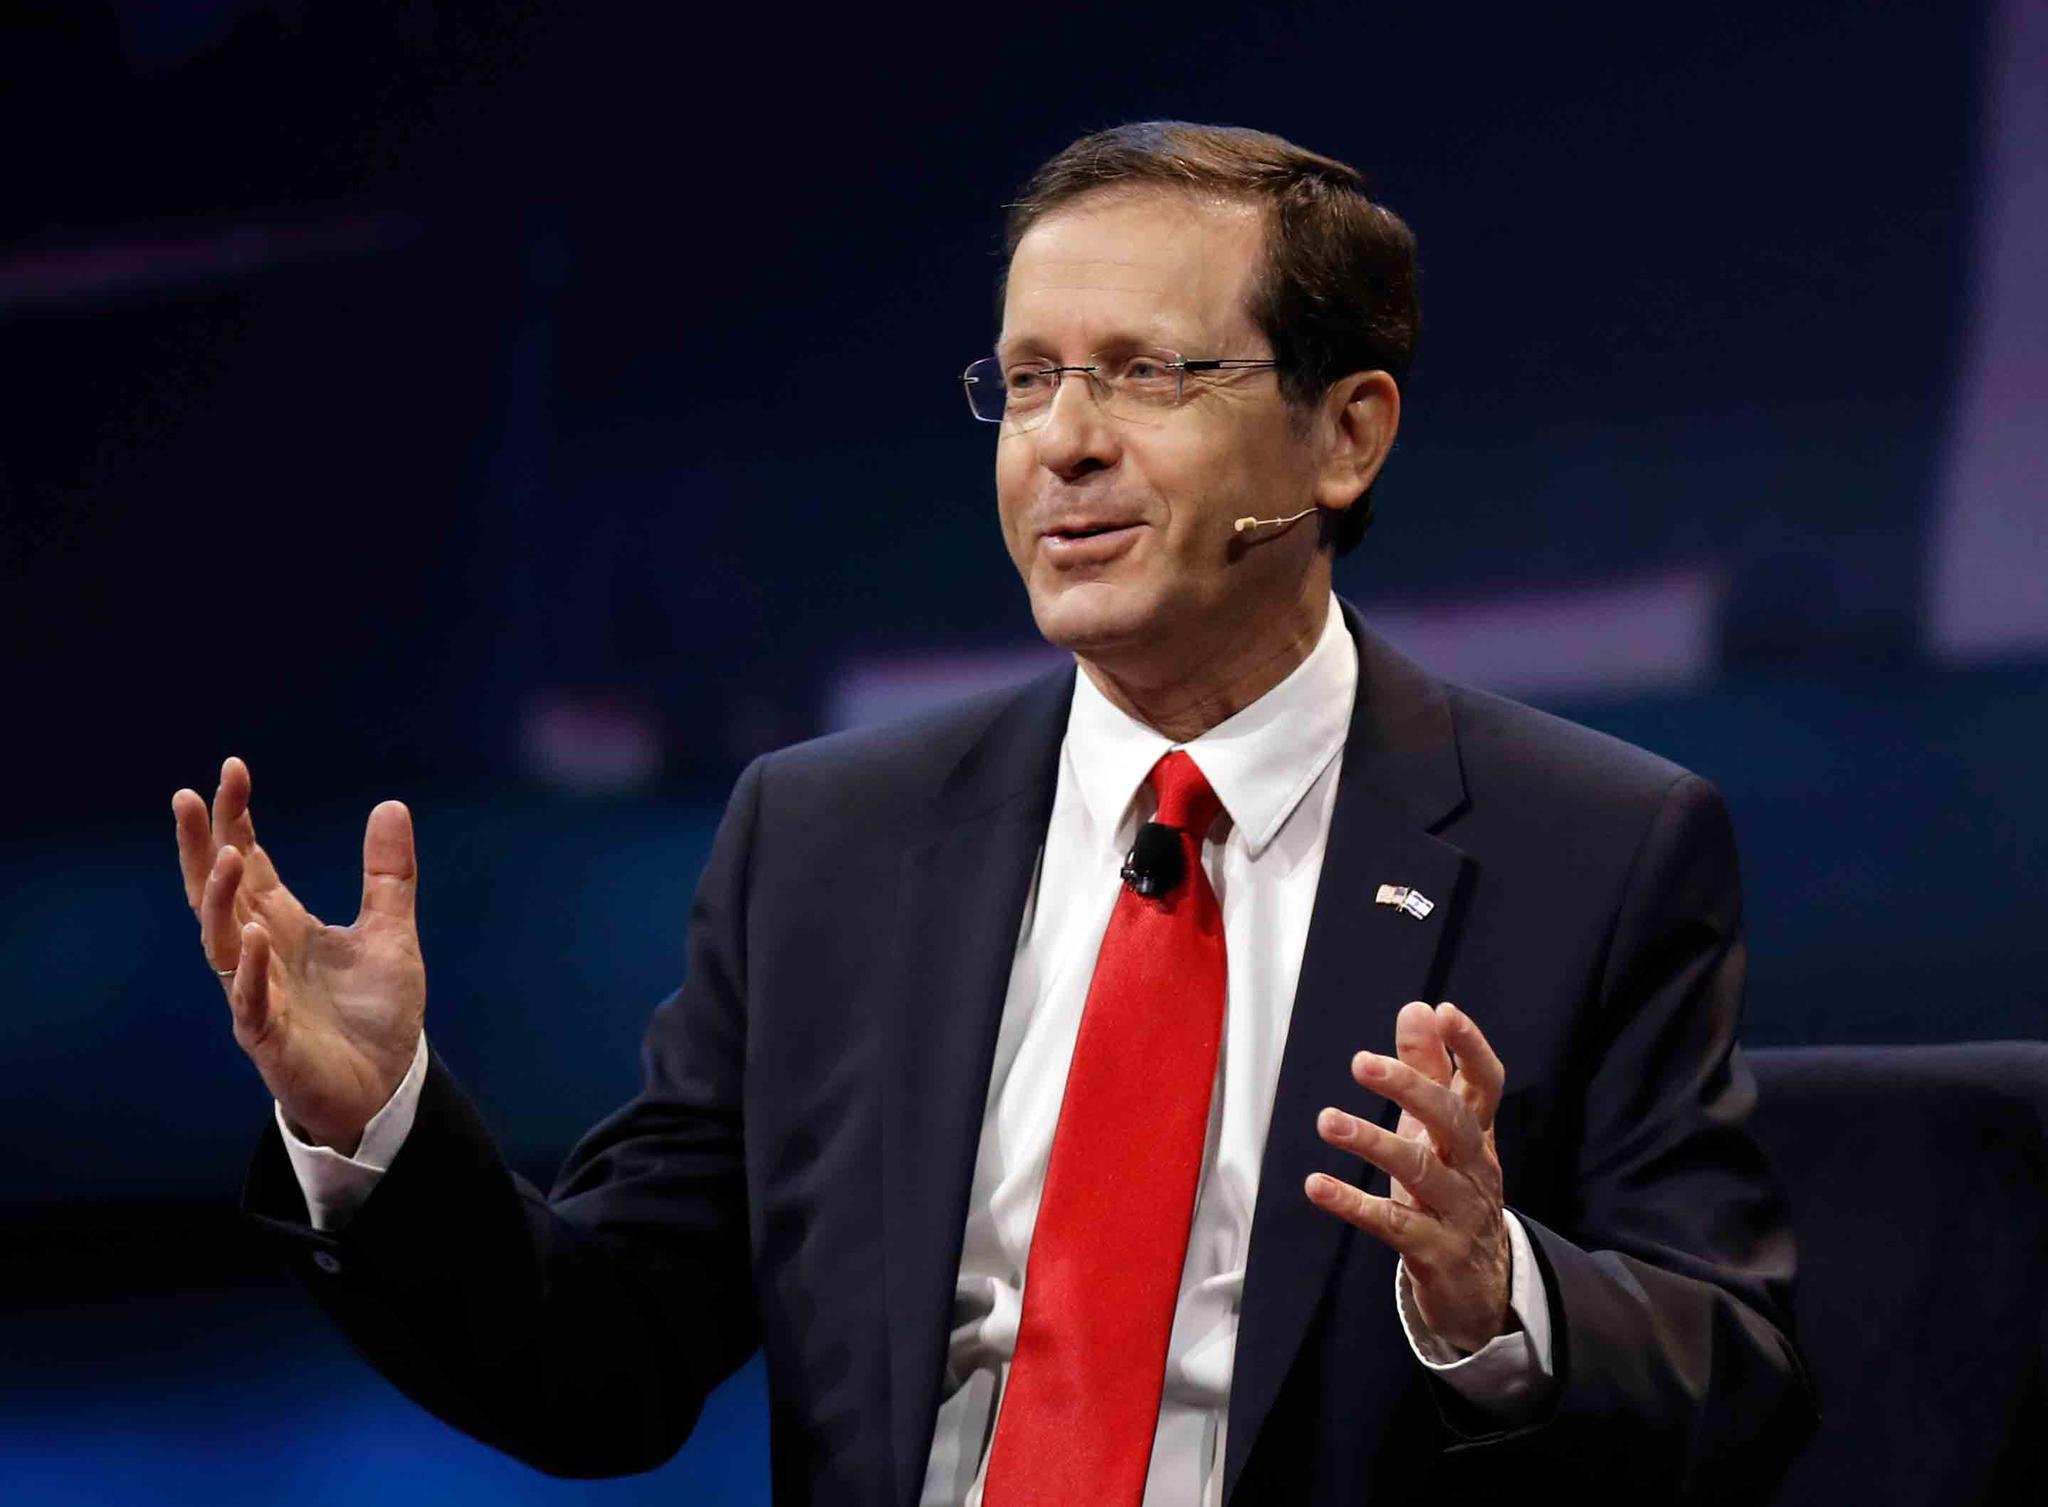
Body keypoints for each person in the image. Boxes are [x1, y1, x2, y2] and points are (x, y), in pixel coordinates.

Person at [172, 122, 1812, 1505]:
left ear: (1345, 435)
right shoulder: (826, 841)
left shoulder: (1591, 848)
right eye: (1027, 384)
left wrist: (1493, 1295)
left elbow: (1736, 1379)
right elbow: (608, 1358)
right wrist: (376, 1127)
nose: (1066, 446)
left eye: (1146, 375)